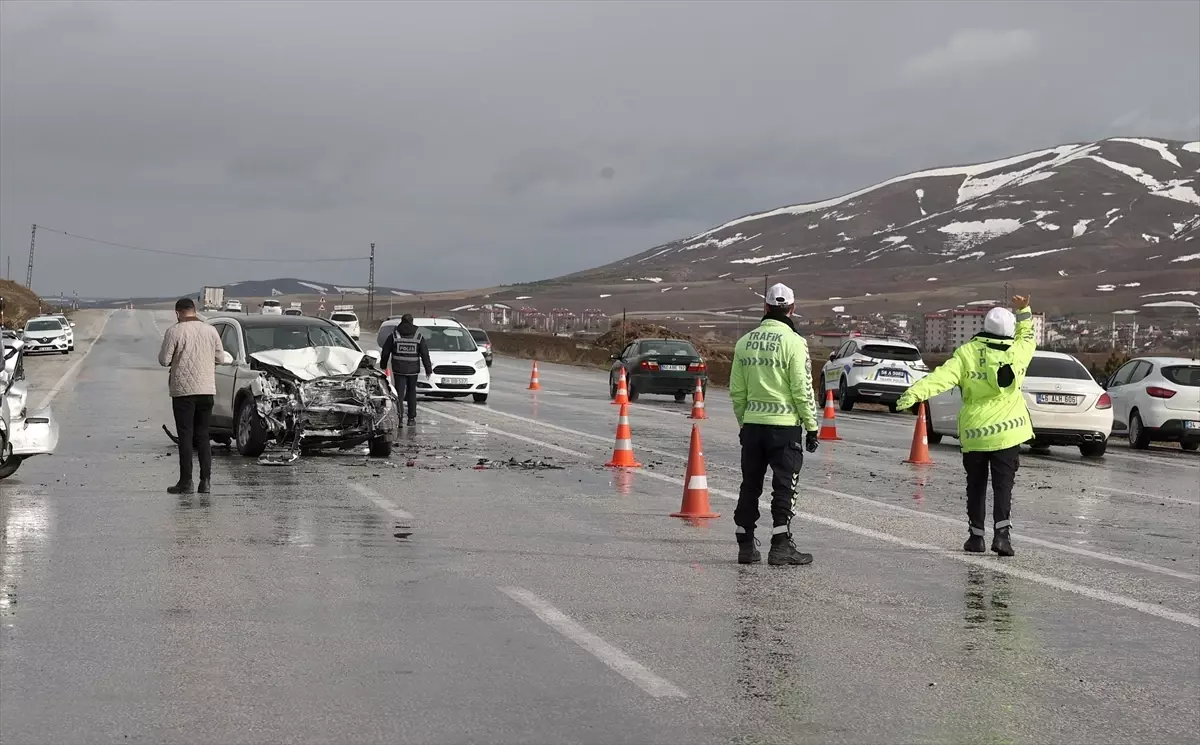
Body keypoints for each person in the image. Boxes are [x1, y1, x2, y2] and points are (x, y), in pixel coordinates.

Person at [895, 295, 1036, 557]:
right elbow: (1027, 335)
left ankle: (976, 537)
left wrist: (914, 393)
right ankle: (1002, 538)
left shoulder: (967, 354)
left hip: (976, 432)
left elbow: (940, 378)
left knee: (976, 485)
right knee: (1003, 487)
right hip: (1008, 432)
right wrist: (1024, 310)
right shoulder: (1019, 352)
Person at [730, 283, 821, 566]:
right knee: (784, 486)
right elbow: (802, 389)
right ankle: (780, 545)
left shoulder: (744, 342)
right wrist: (812, 426)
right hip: (785, 427)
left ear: (766, 308)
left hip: (753, 425)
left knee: (750, 485)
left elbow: (737, 392)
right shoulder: (795, 343)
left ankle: (746, 544)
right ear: (792, 309)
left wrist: (744, 422)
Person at [158, 297, 224, 494]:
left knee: (186, 436)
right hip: (206, 390)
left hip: (183, 392)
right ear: (194, 310)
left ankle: (186, 482)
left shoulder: (174, 331)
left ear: (178, 313)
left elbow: (164, 360)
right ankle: (206, 482)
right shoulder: (210, 330)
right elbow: (220, 358)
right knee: (203, 436)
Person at [378, 314, 433, 427]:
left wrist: (383, 365)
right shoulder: (418, 337)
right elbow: (425, 354)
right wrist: (428, 370)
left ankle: (399, 419)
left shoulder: (394, 335)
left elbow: (385, 352)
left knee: (399, 394)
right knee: (411, 393)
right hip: (413, 371)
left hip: (399, 370)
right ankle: (411, 419)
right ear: (412, 322)